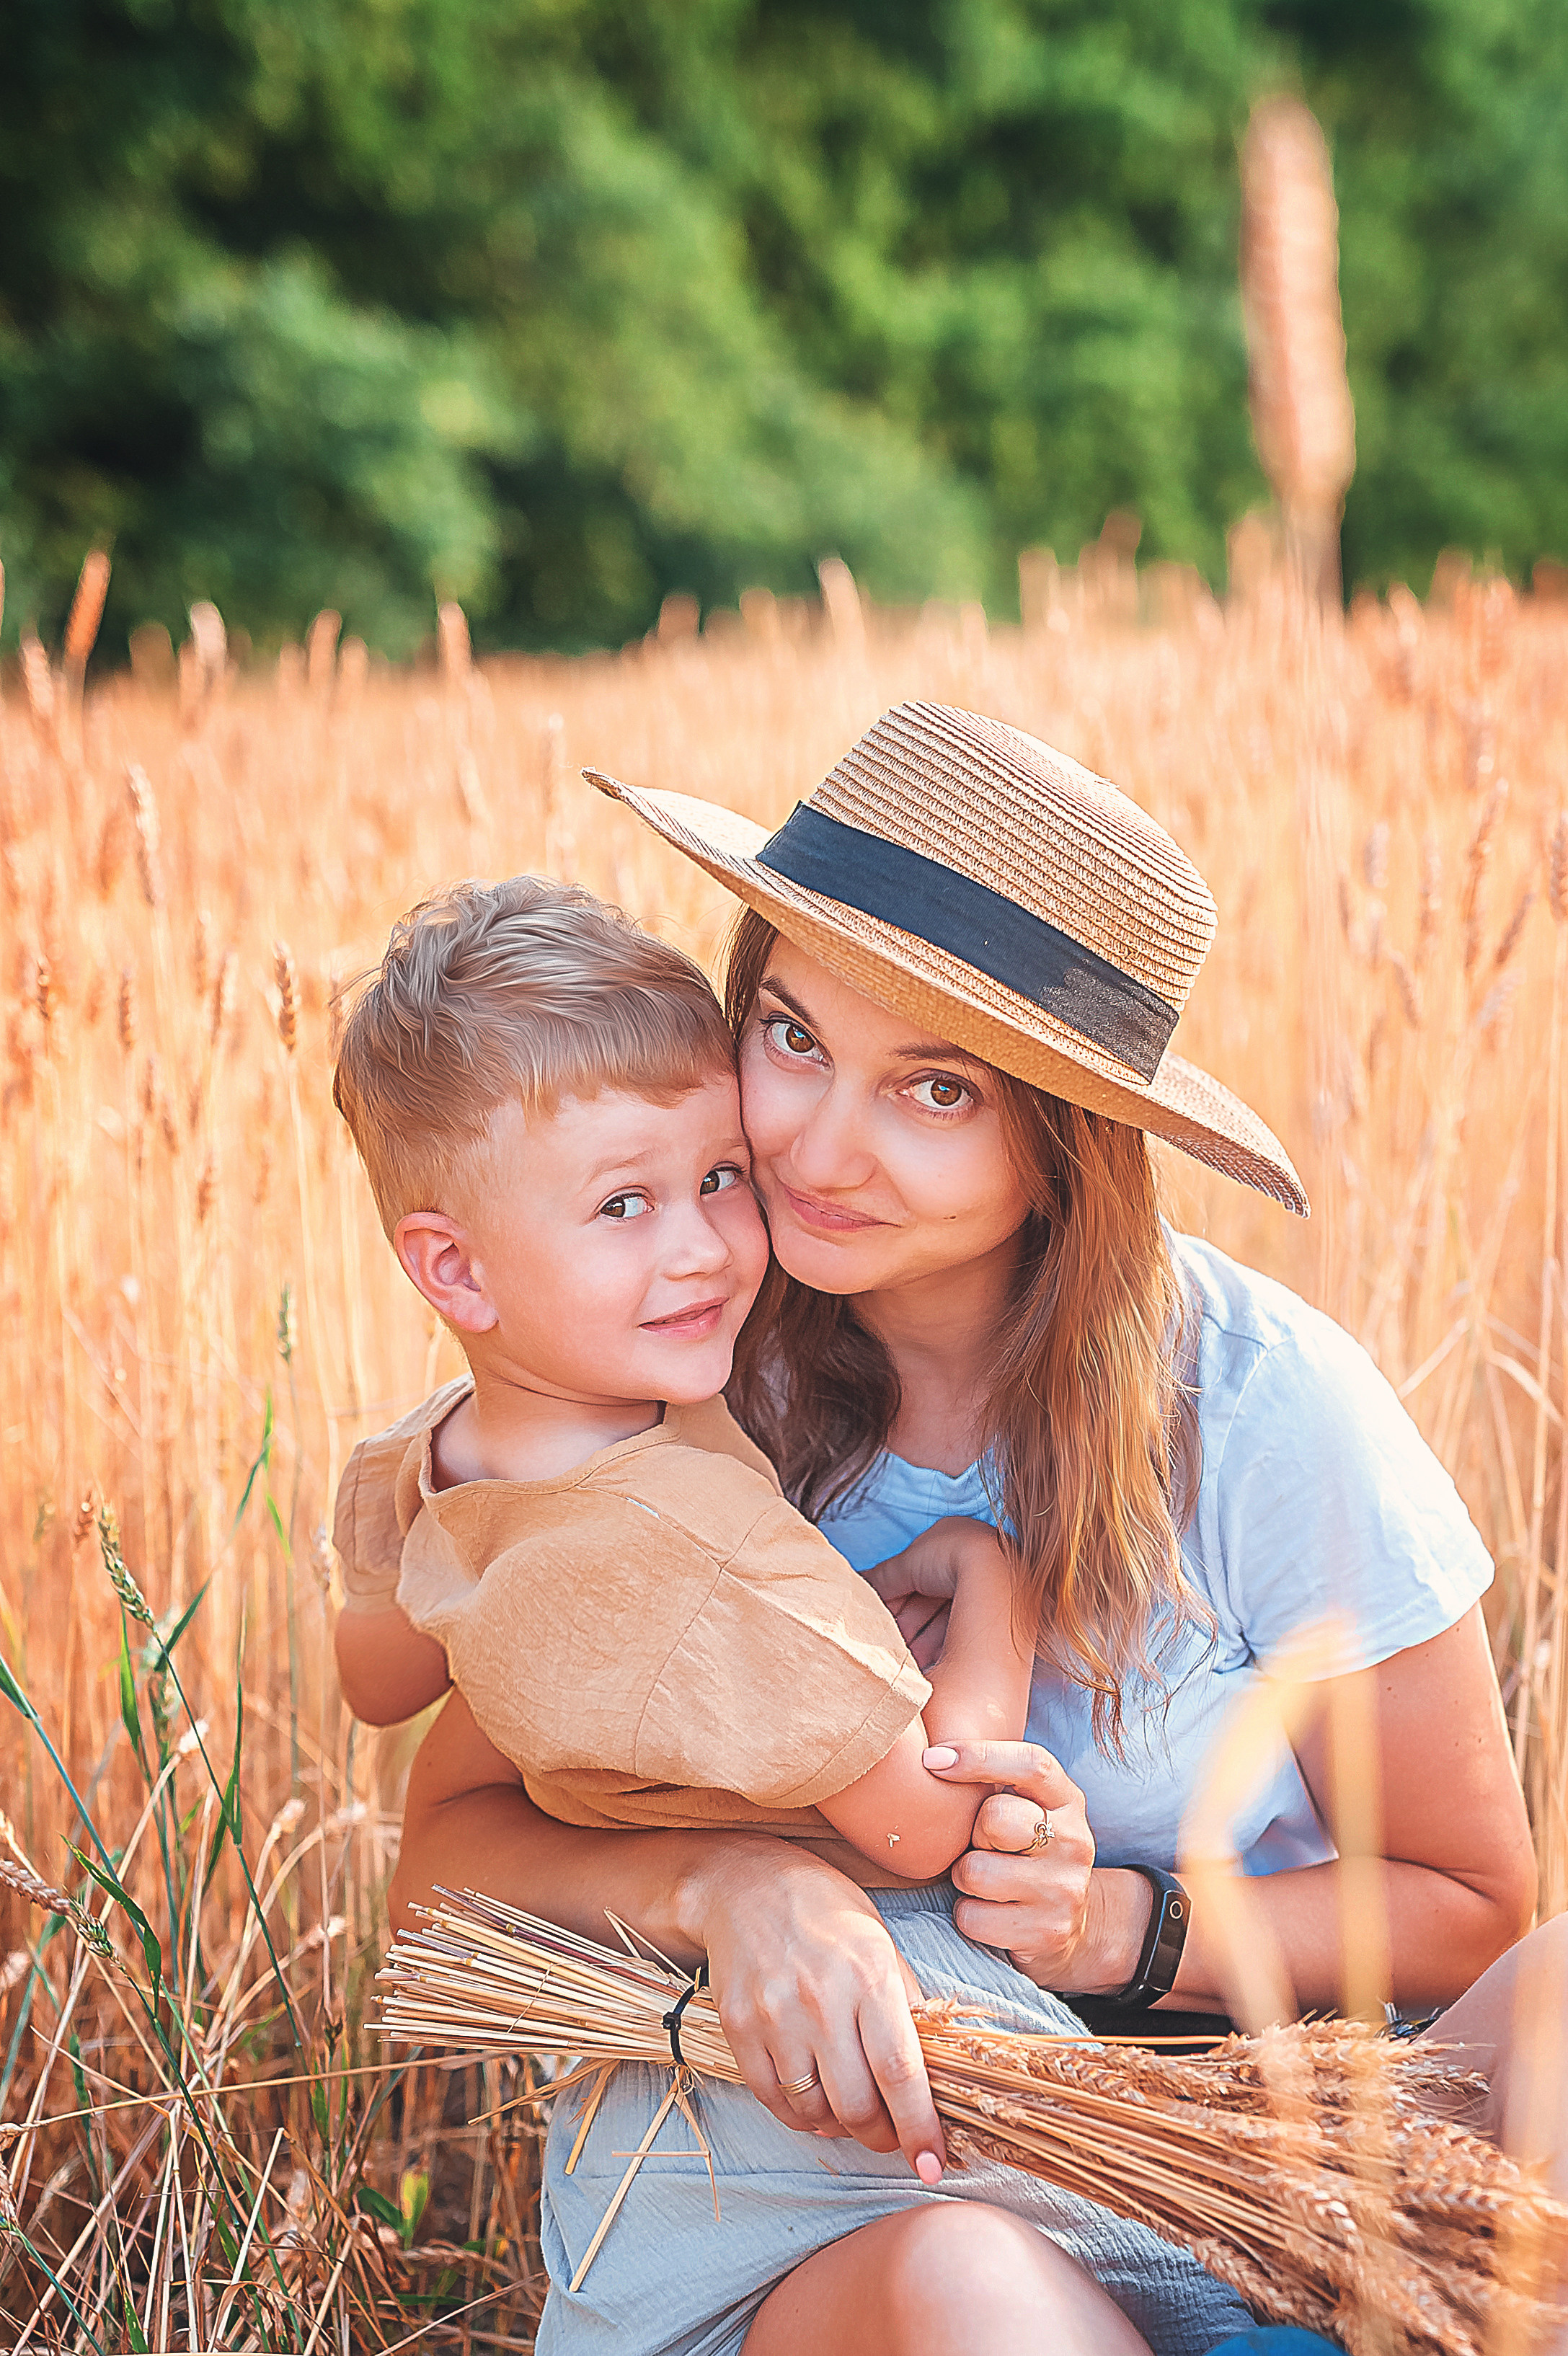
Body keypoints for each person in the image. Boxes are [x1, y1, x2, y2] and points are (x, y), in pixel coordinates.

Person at [378, 704, 1537, 2356]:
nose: (813, 1145)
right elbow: (440, 1861)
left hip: (1235, 2174)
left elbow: (1467, 1899)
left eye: (932, 1086)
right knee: (969, 2287)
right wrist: (731, 1882)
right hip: (849, 2220)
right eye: (789, 1034)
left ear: (1062, 1142)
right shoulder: (674, 1370)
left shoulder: (1258, 1404)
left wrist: (1120, 1927)